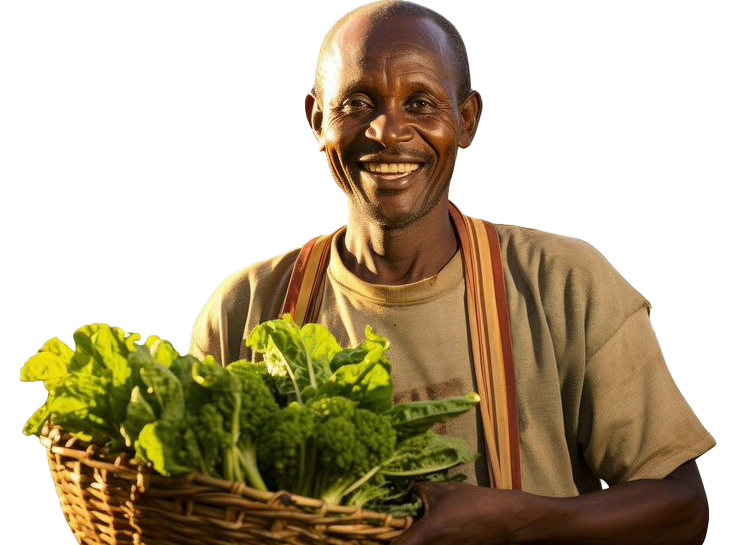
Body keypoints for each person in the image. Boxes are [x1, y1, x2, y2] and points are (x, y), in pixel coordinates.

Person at [187, 1, 716, 543]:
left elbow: (681, 509)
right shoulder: (245, 307)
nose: (388, 132)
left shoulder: (564, 282)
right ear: (317, 120)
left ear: (466, 121)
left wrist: (521, 521)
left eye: (420, 102)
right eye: (357, 103)